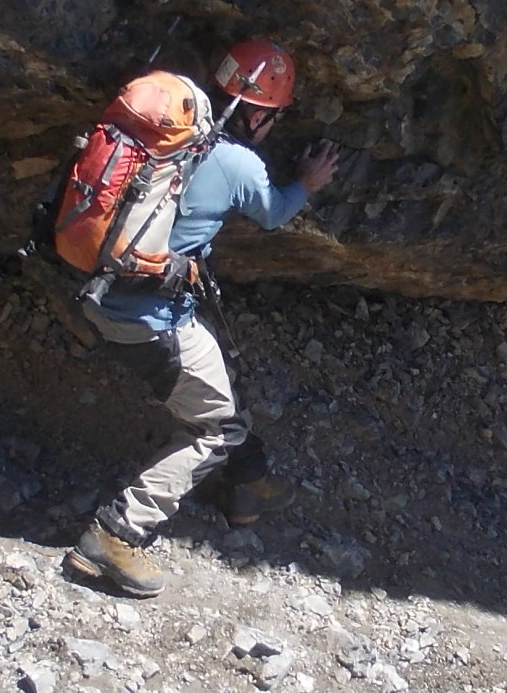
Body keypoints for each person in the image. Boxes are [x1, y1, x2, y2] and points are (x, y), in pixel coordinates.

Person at [64, 38, 338, 599]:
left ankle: (247, 483)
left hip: (104, 293)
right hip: (152, 319)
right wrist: (306, 184)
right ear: (257, 114)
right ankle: (116, 534)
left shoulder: (168, 136)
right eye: (275, 115)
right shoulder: (238, 162)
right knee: (218, 426)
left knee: (218, 387)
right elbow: (273, 213)